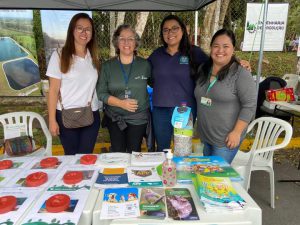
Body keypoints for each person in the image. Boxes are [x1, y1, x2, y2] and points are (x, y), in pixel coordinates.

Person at [194, 28, 257, 164]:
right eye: (216, 46)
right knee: (208, 175)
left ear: (233, 49)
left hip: (226, 140)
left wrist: (237, 132)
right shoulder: (203, 69)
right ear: (211, 48)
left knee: (215, 178)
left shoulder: (241, 74)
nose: (220, 50)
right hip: (206, 136)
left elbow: (249, 105)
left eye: (225, 46)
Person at [148, 15, 208, 152]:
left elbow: (216, 64)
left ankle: (181, 174)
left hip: (185, 111)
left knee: (183, 151)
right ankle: (165, 173)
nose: (170, 33)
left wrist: (237, 63)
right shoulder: (156, 55)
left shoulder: (194, 53)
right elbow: (144, 74)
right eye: (166, 30)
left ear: (183, 30)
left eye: (174, 28)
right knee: (162, 150)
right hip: (160, 110)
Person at [47, 13, 100, 155]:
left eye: (88, 29)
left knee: (86, 156)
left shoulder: (93, 56)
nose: (84, 32)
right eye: (80, 28)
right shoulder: (59, 55)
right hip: (66, 116)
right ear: (72, 31)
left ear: (92, 33)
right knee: (71, 157)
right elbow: (52, 91)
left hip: (91, 114)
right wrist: (52, 120)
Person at [97, 24, 151, 153]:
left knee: (134, 151)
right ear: (116, 42)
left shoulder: (145, 65)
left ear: (136, 42)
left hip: (138, 118)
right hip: (115, 117)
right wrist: (121, 103)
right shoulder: (107, 66)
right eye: (122, 38)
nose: (126, 42)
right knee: (118, 152)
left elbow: (157, 84)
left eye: (131, 38)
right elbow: (101, 92)